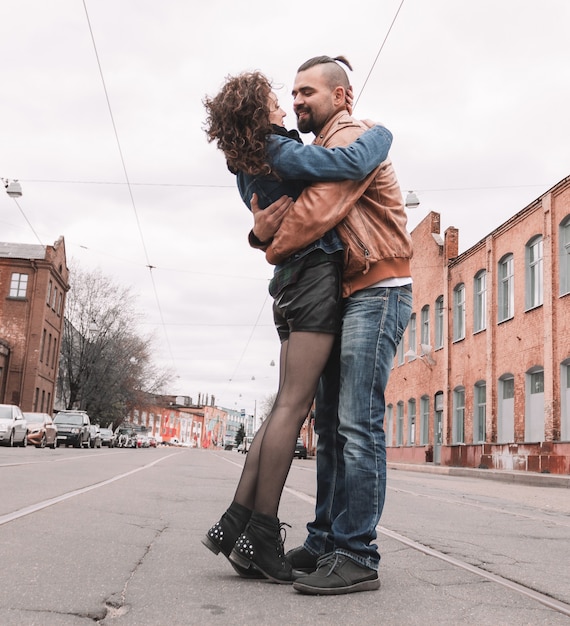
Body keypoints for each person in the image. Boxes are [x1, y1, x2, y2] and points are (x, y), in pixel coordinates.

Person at [201, 70, 393, 583]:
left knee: (284, 405)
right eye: (276, 102)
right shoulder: (277, 149)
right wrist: (383, 135)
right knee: (294, 406)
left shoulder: (242, 163)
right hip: (310, 281)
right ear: (258, 113)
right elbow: (345, 163)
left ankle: (236, 524)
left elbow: (272, 223)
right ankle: (261, 532)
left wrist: (258, 237)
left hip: (286, 287)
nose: (285, 110)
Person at [249, 56, 413, 595]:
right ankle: (324, 541)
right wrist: (260, 227)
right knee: (331, 431)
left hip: (377, 291)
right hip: (346, 295)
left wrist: (265, 243)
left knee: (357, 425)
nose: (296, 101)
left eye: (308, 91)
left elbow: (310, 218)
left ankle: (357, 553)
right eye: (292, 92)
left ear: (341, 97)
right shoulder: (319, 149)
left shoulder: (351, 138)